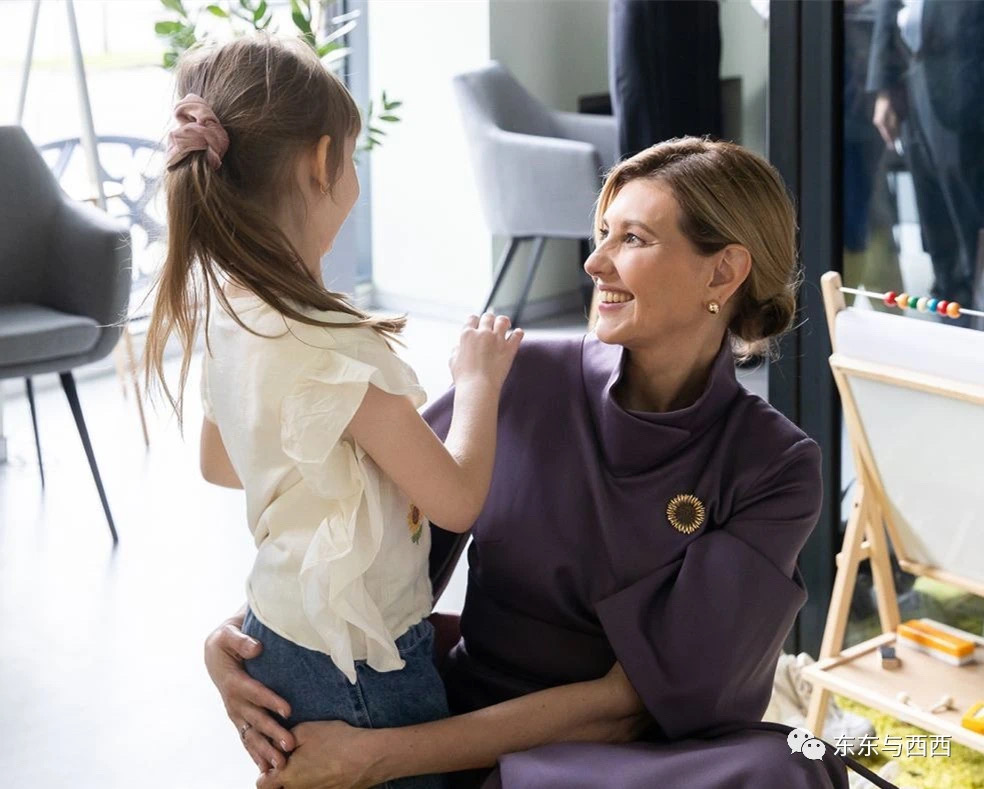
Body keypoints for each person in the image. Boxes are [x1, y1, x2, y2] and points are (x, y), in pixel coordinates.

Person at [204, 138, 855, 789]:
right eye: (603, 233)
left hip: (621, 762)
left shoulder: (775, 466)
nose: (594, 262)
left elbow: (627, 706)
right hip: (459, 724)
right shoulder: (519, 378)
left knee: (785, 766)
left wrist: (377, 756)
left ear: (722, 273)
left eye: (632, 238)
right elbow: (371, 533)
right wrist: (238, 638)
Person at [143, 35, 524, 788]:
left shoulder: (228, 313)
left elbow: (220, 464)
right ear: (323, 164)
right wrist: (479, 380)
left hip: (274, 631)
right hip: (361, 664)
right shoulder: (335, 347)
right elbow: (455, 498)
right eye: (351, 156)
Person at [867, 0, 984, 312]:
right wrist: (884, 86)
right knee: (937, 228)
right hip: (914, 83)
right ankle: (952, 314)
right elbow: (889, 7)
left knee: (971, 230)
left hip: (969, 81)